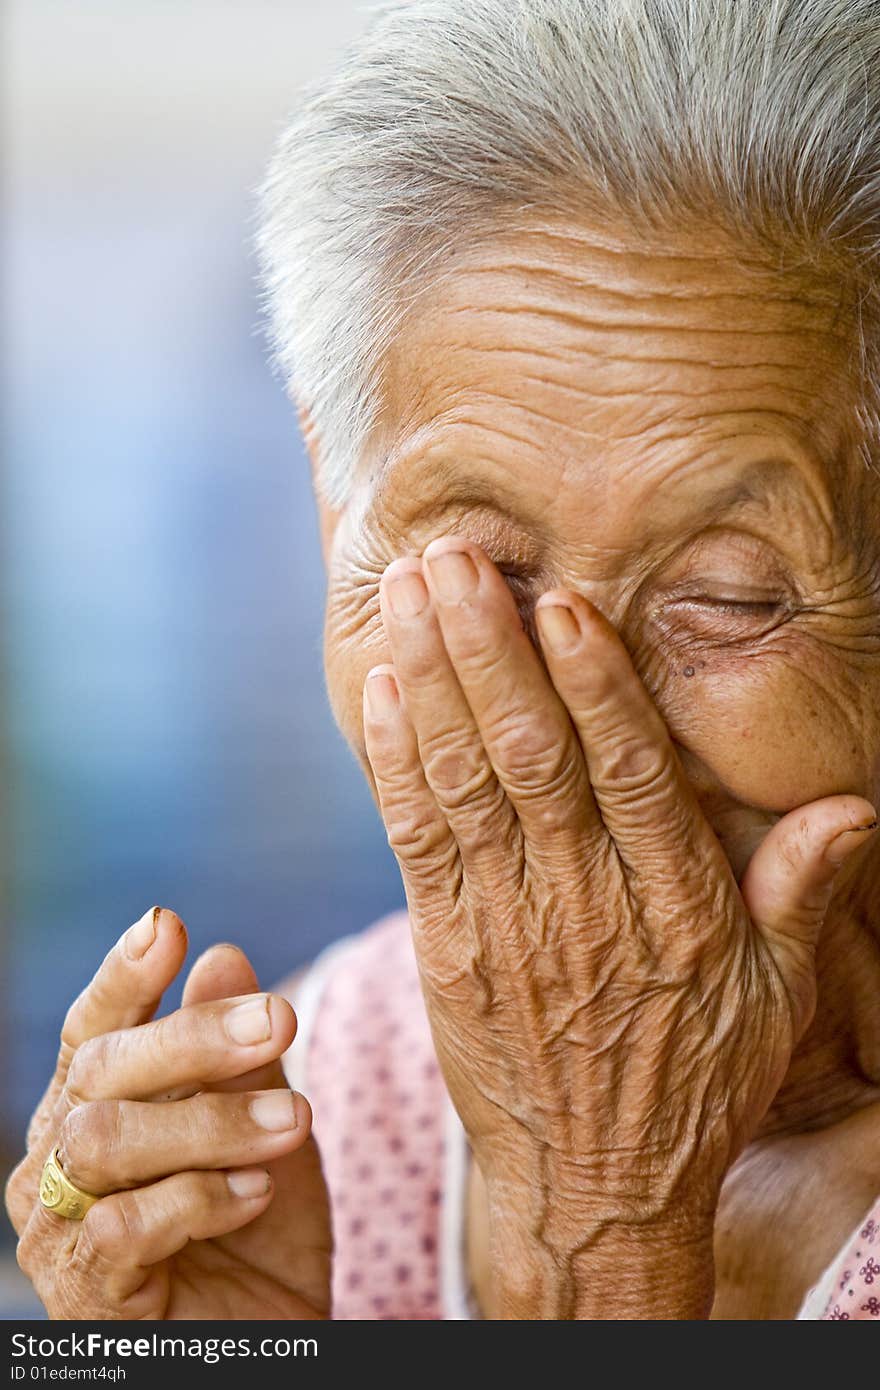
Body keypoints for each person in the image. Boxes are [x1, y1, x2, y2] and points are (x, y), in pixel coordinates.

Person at [7, 0, 880, 1319]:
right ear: (334, 511)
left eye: (727, 594)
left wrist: (607, 1235)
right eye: (475, 574)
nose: (561, 729)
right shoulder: (324, 1090)